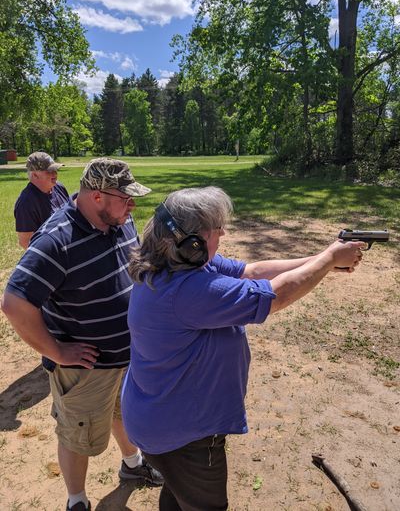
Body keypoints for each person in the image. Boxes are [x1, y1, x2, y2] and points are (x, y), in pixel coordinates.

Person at [121, 186, 364, 511]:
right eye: (215, 230)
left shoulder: (175, 262)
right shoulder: (186, 290)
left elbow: (251, 272)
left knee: (180, 495)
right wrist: (330, 259)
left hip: (161, 419)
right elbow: (275, 296)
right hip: (183, 434)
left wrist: (324, 259)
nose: (222, 234)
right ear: (191, 242)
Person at [1, 158, 163, 511]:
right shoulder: (57, 239)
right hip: (87, 369)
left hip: (126, 356)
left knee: (123, 413)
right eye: (125, 198)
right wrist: (58, 352)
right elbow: (14, 303)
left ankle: (132, 465)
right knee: (78, 435)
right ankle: (76, 500)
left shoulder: (119, 219)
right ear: (97, 197)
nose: (132, 205)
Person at [14, 151, 70, 249]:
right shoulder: (26, 202)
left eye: (55, 170)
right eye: (49, 171)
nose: (55, 174)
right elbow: (25, 242)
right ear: (35, 175)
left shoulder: (59, 187)